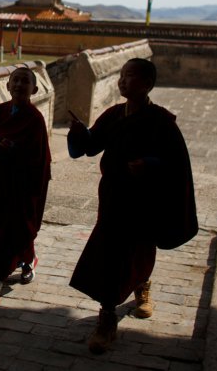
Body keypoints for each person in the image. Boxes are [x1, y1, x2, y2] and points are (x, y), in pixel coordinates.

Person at [67, 58, 197, 353]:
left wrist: (150, 165)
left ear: (147, 84)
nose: (123, 81)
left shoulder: (161, 121)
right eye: (122, 75)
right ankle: (107, 316)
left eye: (130, 76)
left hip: (144, 201)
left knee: (138, 250)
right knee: (110, 253)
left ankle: (142, 286)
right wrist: (79, 133)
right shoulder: (114, 115)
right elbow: (90, 147)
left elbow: (177, 165)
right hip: (113, 198)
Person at [0, 66, 52, 309]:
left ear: (34, 89)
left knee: (14, 229)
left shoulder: (35, 119)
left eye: (25, 82)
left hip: (24, 185)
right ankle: (27, 259)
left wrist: (12, 149)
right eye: (15, 80)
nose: (19, 85)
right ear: (7, 86)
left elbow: (35, 157)